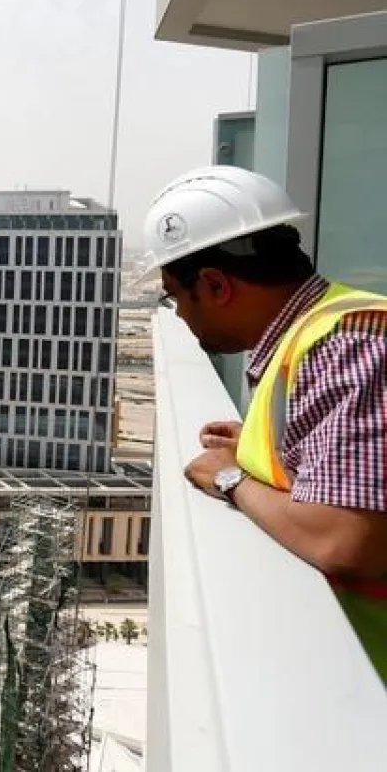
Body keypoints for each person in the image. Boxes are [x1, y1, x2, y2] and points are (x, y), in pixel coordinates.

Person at [143, 165, 387, 678]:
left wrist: (230, 478)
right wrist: (264, 446)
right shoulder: (324, 328)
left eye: (176, 297)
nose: (181, 317)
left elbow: (346, 540)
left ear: (214, 284)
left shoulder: (344, 346)